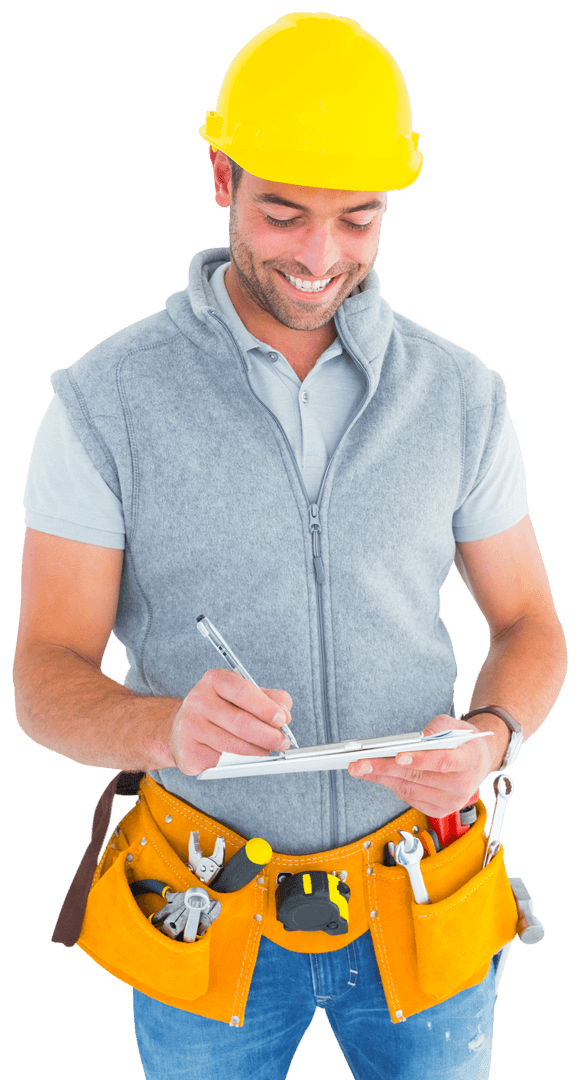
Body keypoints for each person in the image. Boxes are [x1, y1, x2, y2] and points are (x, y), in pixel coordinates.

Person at [13, 11, 566, 1080]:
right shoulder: (103, 401)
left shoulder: (460, 395)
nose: (319, 258)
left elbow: (528, 623)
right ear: (222, 178)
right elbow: (43, 679)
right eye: (283, 213)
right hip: (204, 906)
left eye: (357, 222)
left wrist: (490, 738)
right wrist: (168, 728)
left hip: (423, 894)